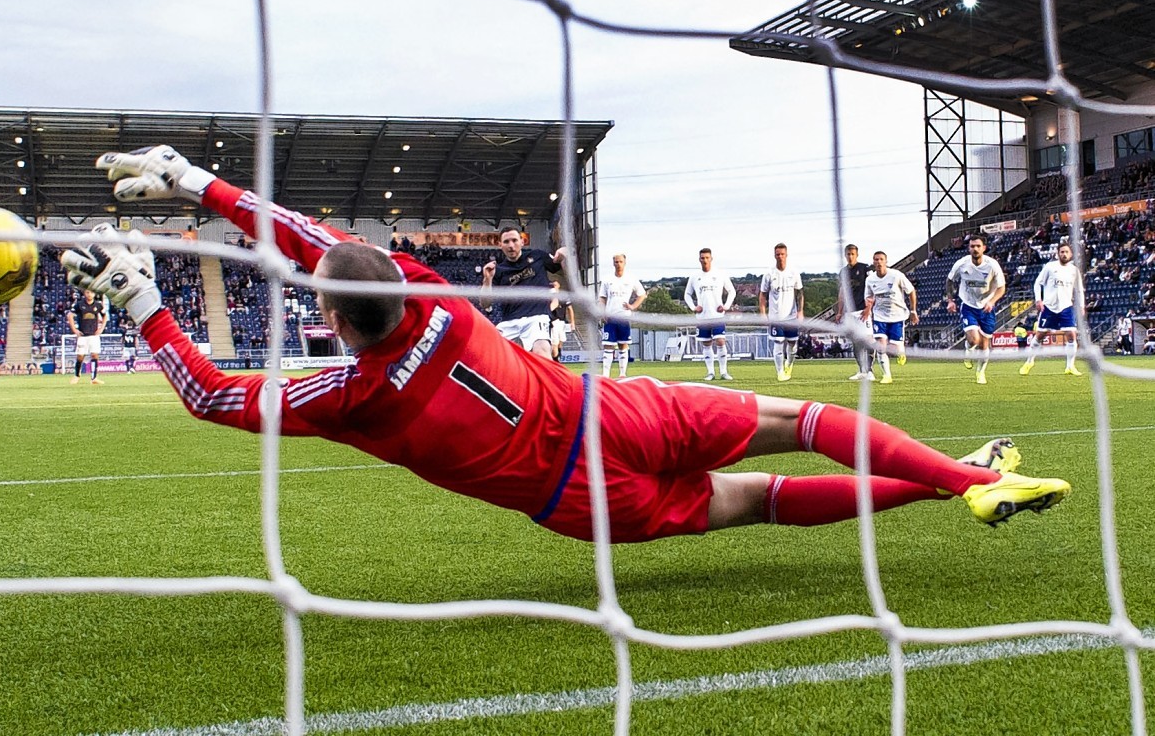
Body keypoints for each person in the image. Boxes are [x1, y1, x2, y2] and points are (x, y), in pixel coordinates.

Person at [66, 145, 1069, 542]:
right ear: (394, 277)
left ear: (329, 324)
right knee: (800, 420)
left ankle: (961, 481)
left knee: (761, 504)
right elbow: (318, 242)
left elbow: (214, 398)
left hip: (582, 499)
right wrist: (202, 185)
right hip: (616, 410)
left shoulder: (351, 396)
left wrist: (152, 306)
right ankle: (957, 475)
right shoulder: (434, 301)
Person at [481, 227, 566, 355]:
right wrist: (487, 280)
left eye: (514, 240)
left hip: (536, 317)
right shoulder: (497, 270)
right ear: (500, 245)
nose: (511, 245)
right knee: (490, 356)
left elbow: (564, 271)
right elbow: (485, 304)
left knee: (541, 349)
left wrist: (566, 254)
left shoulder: (537, 256)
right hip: (509, 322)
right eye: (506, 242)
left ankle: (549, 374)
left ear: (522, 241)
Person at [945, 235, 1007, 385]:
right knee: (974, 339)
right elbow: (950, 280)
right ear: (969, 248)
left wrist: (992, 301)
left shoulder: (992, 265)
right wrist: (950, 300)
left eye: (978, 246)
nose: (975, 249)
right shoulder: (962, 264)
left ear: (984, 248)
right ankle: (968, 349)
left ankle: (980, 373)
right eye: (972, 246)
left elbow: (1001, 288)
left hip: (987, 306)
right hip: (968, 305)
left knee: (984, 344)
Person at [1021, 242, 1081, 377]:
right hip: (1049, 307)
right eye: (1062, 252)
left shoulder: (1074, 270)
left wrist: (1081, 306)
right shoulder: (1050, 267)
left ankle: (1070, 366)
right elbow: (1038, 283)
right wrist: (1038, 299)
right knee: (1040, 335)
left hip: (1066, 307)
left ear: (1071, 254)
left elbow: (1079, 290)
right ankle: (1029, 361)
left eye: (1066, 252)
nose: (1064, 254)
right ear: (1057, 253)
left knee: (1071, 335)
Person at [860, 251, 917, 385]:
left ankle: (901, 352)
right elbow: (868, 297)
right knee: (881, 346)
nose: (878, 262)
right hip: (880, 316)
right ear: (873, 262)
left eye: (881, 259)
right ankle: (887, 375)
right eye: (876, 260)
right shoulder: (870, 279)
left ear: (886, 261)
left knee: (895, 349)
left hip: (897, 315)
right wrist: (868, 308)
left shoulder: (896, 275)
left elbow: (911, 291)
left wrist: (913, 310)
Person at [684, 249, 735, 381]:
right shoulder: (695, 277)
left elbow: (732, 291)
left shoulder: (720, 274)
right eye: (702, 258)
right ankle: (710, 372)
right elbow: (687, 294)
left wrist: (726, 306)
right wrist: (694, 307)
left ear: (711, 258)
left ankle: (724, 372)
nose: (705, 260)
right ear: (699, 259)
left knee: (720, 341)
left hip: (718, 315)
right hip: (702, 317)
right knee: (706, 344)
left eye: (707, 257)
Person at [759, 243, 803, 383]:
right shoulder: (769, 274)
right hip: (775, 317)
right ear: (774, 256)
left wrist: (800, 311)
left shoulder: (793, 273)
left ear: (786, 255)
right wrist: (763, 313)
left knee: (792, 344)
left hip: (791, 316)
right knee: (778, 343)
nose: (780, 257)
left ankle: (788, 364)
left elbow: (800, 293)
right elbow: (762, 295)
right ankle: (780, 373)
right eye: (778, 254)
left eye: (782, 254)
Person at [598, 254, 646, 378]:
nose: (618, 264)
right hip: (610, 317)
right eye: (616, 262)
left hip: (624, 317)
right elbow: (602, 298)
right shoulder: (607, 279)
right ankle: (605, 375)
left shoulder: (631, 279)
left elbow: (642, 294)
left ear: (625, 262)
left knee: (623, 345)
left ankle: (622, 374)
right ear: (613, 263)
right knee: (608, 345)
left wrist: (633, 306)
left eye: (620, 261)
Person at [840, 245, 875, 381]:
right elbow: (842, 292)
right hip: (850, 312)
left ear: (857, 254)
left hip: (862, 310)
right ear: (845, 255)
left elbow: (872, 288)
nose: (850, 257)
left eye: (852, 254)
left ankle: (870, 370)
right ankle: (862, 370)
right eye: (848, 254)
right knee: (855, 342)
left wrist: (868, 308)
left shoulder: (864, 269)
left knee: (868, 340)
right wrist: (840, 311)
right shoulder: (843, 272)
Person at [67, 289, 109, 385]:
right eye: (87, 292)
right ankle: (77, 375)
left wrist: (101, 328)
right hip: (82, 335)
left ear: (94, 294)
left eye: (91, 292)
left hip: (94, 335)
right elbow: (70, 315)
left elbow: (105, 315)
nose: (89, 294)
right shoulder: (79, 304)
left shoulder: (98, 305)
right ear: (85, 293)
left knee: (94, 355)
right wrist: (74, 330)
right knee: (80, 356)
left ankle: (94, 378)